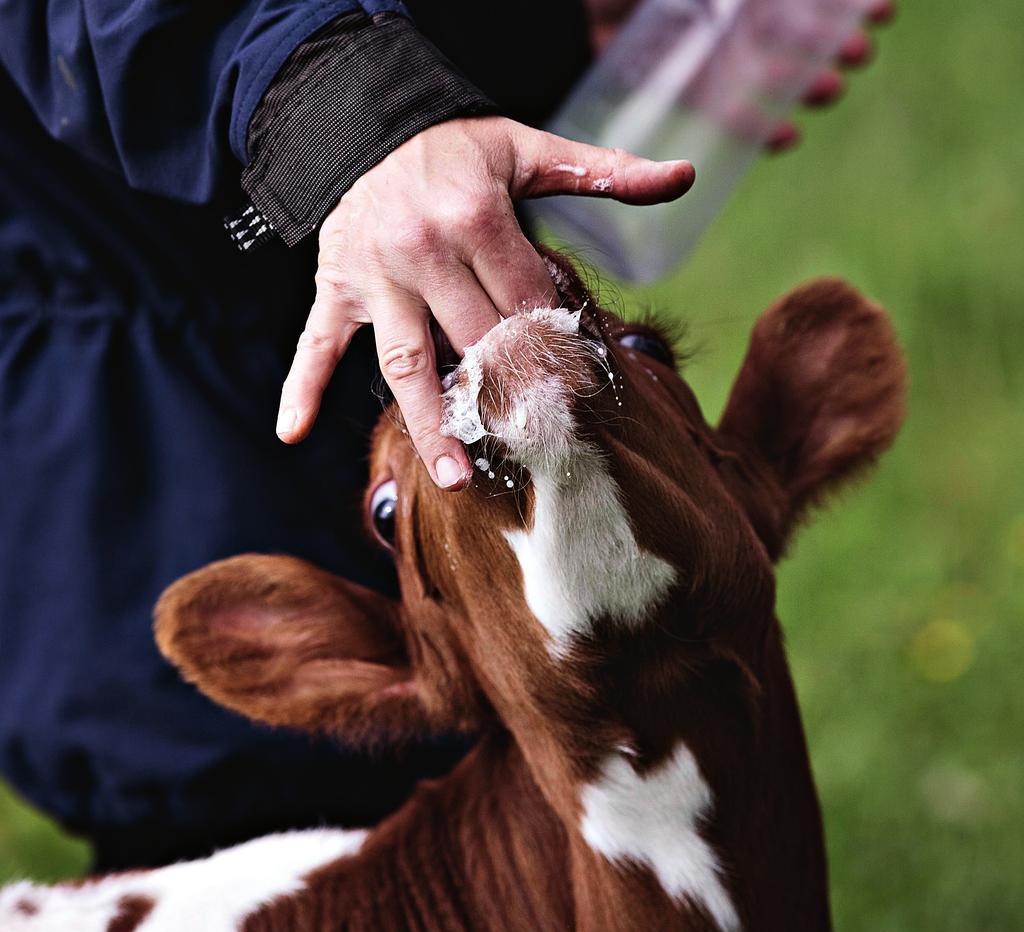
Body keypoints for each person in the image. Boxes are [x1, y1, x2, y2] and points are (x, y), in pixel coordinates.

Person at [0, 0, 890, 871]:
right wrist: (345, 101)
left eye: (643, 346)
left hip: (384, 262)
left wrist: (528, 27)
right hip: (161, 417)